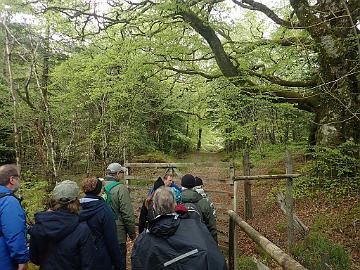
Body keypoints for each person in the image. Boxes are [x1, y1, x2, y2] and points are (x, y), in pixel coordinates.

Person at [131, 186, 227, 270]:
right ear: (175, 205)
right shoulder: (195, 227)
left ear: (154, 207)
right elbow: (214, 259)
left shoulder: (143, 241)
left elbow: (139, 264)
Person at [29, 180, 95, 270]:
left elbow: (34, 259)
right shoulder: (82, 229)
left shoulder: (40, 225)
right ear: (76, 200)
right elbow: (88, 264)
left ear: (55, 200)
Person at [79, 177, 122, 270]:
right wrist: (118, 263)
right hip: (101, 258)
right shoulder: (104, 210)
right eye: (102, 187)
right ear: (99, 190)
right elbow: (111, 239)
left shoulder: (76, 208)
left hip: (81, 257)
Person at [104, 162, 136, 270]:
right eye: (122, 173)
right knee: (119, 264)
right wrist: (132, 234)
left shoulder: (100, 186)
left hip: (101, 233)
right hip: (118, 235)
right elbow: (127, 214)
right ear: (117, 173)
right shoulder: (120, 188)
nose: (123, 176)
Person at [0, 164, 29, 270]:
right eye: (19, 177)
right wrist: (22, 260)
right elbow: (14, 233)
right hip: (4, 260)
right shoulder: (9, 202)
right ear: (12, 179)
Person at [181, 174, 218, 242]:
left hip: (181, 242)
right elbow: (212, 226)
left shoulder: (174, 201)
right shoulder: (203, 202)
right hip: (201, 242)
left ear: (182, 185)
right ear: (194, 185)